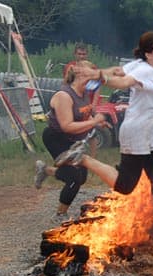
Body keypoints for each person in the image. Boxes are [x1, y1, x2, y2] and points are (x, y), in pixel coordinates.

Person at [53, 31, 153, 207]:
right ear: (149, 54)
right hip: (137, 132)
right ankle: (83, 159)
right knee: (125, 186)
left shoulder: (139, 64)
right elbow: (123, 82)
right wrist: (98, 77)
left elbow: (117, 72)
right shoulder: (145, 71)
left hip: (152, 132)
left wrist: (96, 73)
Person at [34, 60, 108, 223]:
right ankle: (60, 215)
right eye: (91, 74)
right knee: (74, 178)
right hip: (56, 138)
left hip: (73, 141)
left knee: (82, 177)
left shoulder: (84, 94)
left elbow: (85, 114)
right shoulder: (64, 96)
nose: (94, 80)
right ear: (80, 74)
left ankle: (46, 170)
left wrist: (97, 121)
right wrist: (94, 122)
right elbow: (67, 126)